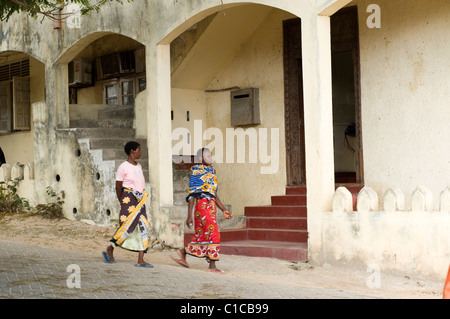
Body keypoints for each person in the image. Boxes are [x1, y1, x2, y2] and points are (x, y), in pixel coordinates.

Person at [172, 147, 232, 273]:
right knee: (214, 233)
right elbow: (193, 194)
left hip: (211, 207)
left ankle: (183, 253)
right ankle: (212, 266)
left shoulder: (212, 171)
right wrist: (189, 216)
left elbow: (213, 194)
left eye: (211, 156)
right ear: (200, 158)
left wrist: (223, 209)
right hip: (202, 206)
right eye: (208, 156)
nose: (211, 158)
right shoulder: (196, 172)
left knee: (203, 235)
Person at [102, 141, 152, 268]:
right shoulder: (123, 167)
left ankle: (141, 260)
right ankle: (111, 248)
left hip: (140, 201)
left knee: (143, 226)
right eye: (139, 150)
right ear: (132, 151)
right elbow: (118, 187)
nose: (140, 152)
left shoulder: (139, 166)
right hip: (128, 200)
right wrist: (123, 201)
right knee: (126, 227)